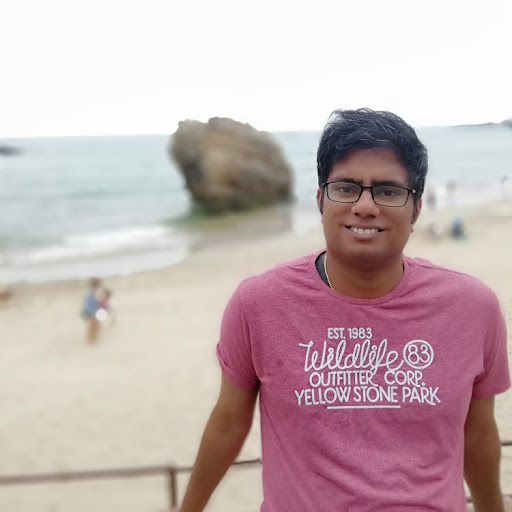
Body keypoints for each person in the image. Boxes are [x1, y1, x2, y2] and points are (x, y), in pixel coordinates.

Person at [178, 109, 510, 512]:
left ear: (416, 209)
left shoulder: (472, 307)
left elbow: (479, 435)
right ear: (321, 201)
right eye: (346, 188)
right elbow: (229, 423)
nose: (365, 206)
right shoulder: (258, 304)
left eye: (388, 191)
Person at [80, 277, 102, 343]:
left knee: (96, 326)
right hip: (90, 313)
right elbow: (87, 305)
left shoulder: (94, 292)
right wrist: (92, 313)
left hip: (93, 312)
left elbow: (97, 303)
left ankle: (93, 339)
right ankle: (91, 340)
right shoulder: (90, 294)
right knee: (92, 326)